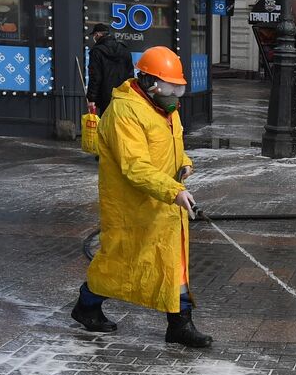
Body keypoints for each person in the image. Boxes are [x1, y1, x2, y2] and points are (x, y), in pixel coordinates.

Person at [72, 46, 211, 347]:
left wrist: (185, 163)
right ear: (150, 83)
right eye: (172, 88)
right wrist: (174, 191)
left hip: (163, 203)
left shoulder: (165, 109)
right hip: (134, 207)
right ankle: (86, 305)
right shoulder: (125, 112)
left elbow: (173, 147)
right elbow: (135, 166)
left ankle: (180, 324)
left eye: (179, 88)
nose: (177, 96)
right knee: (122, 265)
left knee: (175, 264)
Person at [85, 23, 131, 115]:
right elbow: (130, 74)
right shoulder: (124, 49)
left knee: (106, 124)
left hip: (105, 97)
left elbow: (95, 77)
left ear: (97, 34)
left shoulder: (97, 51)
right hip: (122, 95)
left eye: (94, 35)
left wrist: (91, 98)